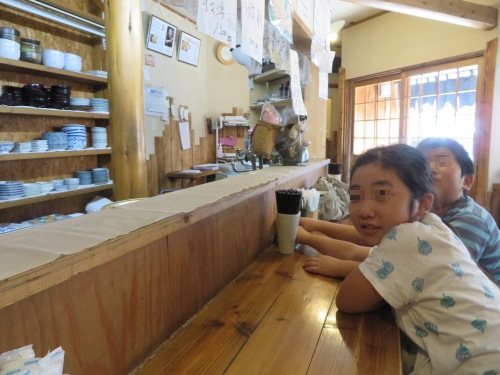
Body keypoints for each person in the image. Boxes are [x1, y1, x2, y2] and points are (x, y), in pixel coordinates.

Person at [333, 144, 500, 374]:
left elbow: (347, 299)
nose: (364, 210)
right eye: (355, 196)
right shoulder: (431, 227)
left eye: (381, 194)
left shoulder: (407, 237)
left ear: (422, 203)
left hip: (483, 361)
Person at [416, 137, 500, 285]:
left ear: (466, 181)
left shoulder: (471, 219)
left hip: (487, 302)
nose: (429, 169)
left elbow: (433, 267)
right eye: (421, 165)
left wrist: (362, 252)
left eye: (441, 162)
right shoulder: (424, 211)